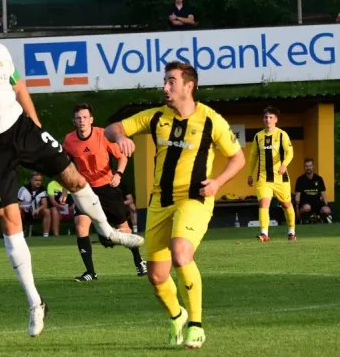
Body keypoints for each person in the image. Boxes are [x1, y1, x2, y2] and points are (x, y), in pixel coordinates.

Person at [0, 5, 144, 338]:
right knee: (9, 221)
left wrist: (36, 125)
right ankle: (35, 303)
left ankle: (108, 232)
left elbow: (19, 88)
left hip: (21, 130)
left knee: (74, 177)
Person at [104, 61, 245, 349]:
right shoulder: (156, 117)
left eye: (171, 81)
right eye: (165, 81)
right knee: (156, 276)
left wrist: (218, 182)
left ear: (189, 85)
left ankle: (196, 325)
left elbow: (238, 157)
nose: (165, 87)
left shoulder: (210, 120)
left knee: (181, 254)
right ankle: (177, 316)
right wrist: (120, 137)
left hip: (194, 198)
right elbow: (113, 128)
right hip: (159, 202)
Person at [63, 103, 147, 281]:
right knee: (80, 227)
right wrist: (65, 190)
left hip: (107, 187)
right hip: (84, 190)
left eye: (85, 117)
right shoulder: (69, 140)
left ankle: (139, 262)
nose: (82, 121)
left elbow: (122, 156)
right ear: (74, 121)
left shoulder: (103, 135)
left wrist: (119, 173)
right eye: (78, 118)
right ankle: (90, 272)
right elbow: (66, 167)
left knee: (123, 228)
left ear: (91, 120)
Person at [247, 106, 296, 242]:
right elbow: (252, 157)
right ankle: (264, 233)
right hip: (263, 177)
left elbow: (290, 152)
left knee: (286, 204)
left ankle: (291, 231)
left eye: (270, 117)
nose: (267, 120)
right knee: (264, 204)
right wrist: (250, 174)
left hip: (281, 178)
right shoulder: (258, 137)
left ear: (276, 120)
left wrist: (284, 164)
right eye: (265, 117)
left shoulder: (282, 135)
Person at [294, 158, 333, 224]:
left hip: (317, 204)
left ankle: (323, 219)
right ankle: (301, 219)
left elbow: (323, 194)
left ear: (313, 166)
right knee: (307, 207)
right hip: (306, 204)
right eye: (306, 166)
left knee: (327, 210)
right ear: (304, 167)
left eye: (310, 166)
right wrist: (297, 211)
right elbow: (297, 195)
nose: (308, 168)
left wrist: (326, 205)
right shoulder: (300, 179)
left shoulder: (319, 178)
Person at [18, 172, 52, 237]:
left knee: (47, 211)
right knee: (18, 211)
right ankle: (19, 234)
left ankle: (45, 235)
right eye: (36, 180)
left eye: (40, 180)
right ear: (31, 180)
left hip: (36, 213)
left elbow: (44, 205)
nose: (38, 182)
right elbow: (17, 204)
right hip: (24, 213)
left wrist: (38, 210)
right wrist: (23, 208)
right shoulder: (23, 189)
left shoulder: (42, 190)